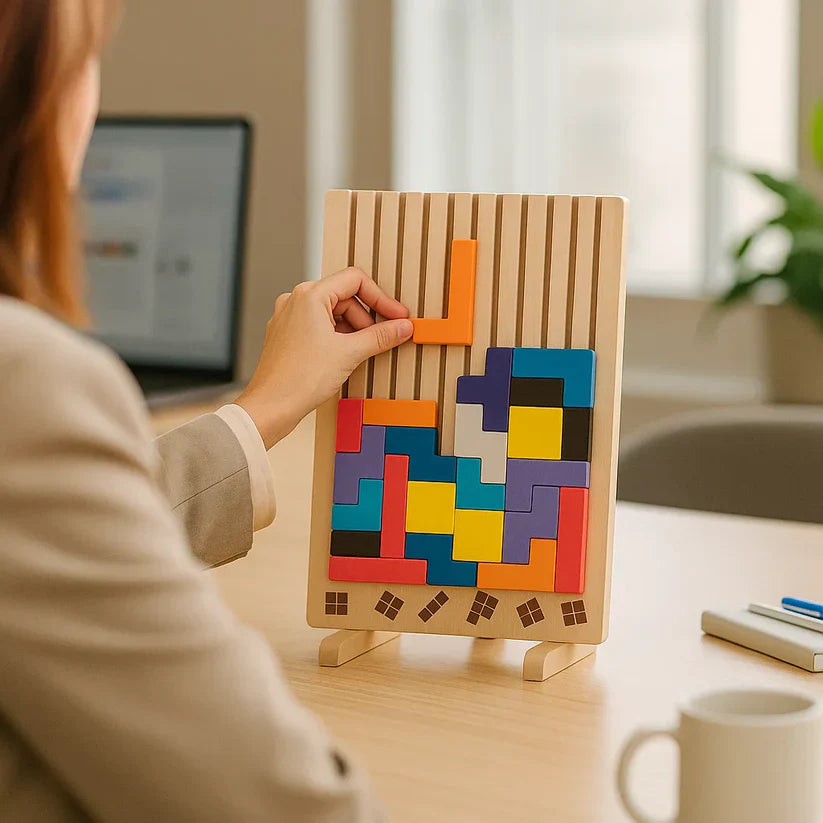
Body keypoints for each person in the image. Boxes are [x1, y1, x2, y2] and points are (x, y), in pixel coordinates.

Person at [0, 2, 413, 820]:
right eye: (86, 62)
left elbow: (39, 545)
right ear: (36, 92)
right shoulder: (25, 379)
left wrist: (259, 410)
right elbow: (285, 803)